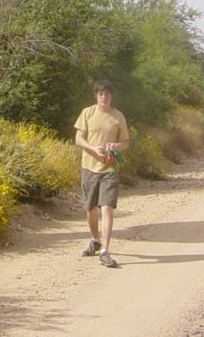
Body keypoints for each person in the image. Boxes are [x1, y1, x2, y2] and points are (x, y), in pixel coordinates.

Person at [74, 79, 129, 268]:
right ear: (96, 96)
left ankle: (105, 250)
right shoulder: (87, 113)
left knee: (106, 208)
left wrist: (115, 146)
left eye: (107, 94)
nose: (104, 97)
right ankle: (95, 240)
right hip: (89, 167)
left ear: (111, 96)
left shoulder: (118, 116)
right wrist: (92, 148)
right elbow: (78, 138)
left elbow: (126, 142)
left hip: (110, 168)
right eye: (100, 94)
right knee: (90, 209)